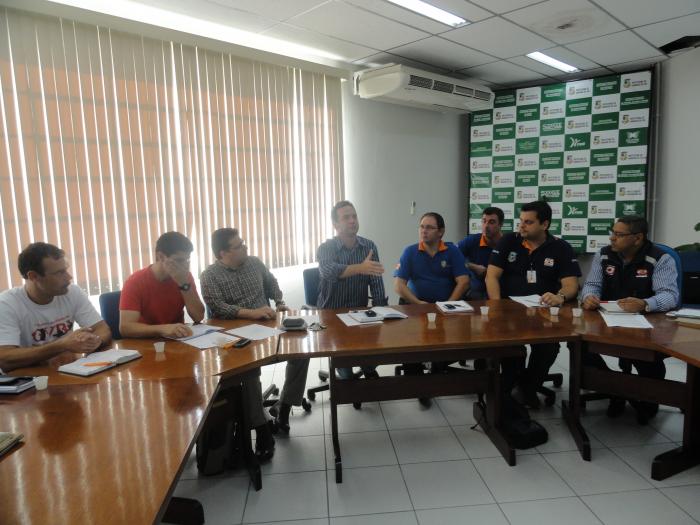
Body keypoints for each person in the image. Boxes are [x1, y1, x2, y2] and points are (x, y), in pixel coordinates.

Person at [201, 228, 304, 436]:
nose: (245, 247)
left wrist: (280, 302)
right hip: (237, 338)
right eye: (239, 246)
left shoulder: (254, 263)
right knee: (249, 370)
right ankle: (261, 427)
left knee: (301, 352)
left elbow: (271, 282)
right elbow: (218, 307)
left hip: (268, 328)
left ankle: (284, 406)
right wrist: (251, 313)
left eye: (243, 242)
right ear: (223, 253)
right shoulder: (209, 276)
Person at [580, 215, 679, 424]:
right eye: (612, 233)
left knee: (648, 357)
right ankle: (616, 389)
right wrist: (588, 297)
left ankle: (648, 398)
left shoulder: (660, 258)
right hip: (606, 320)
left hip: (645, 323)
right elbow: (592, 285)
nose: (612, 239)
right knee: (579, 347)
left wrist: (645, 304)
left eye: (619, 234)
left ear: (637, 238)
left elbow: (670, 295)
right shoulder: (604, 255)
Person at [486, 201, 581, 408]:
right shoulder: (509, 241)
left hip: (544, 314)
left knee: (548, 348)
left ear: (544, 224)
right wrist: (496, 306)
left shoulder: (560, 248)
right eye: (521, 221)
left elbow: (571, 285)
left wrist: (560, 297)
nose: (522, 226)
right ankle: (513, 385)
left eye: (528, 222)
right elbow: (491, 276)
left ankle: (527, 387)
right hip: (509, 311)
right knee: (510, 350)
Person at [394, 212, 470, 407]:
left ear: (441, 232)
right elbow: (399, 285)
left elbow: (463, 281)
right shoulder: (410, 251)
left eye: (429, 227)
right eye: (421, 227)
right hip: (415, 305)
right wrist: (419, 303)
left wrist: (448, 304)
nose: (424, 231)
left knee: (445, 343)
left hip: (444, 305)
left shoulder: (452, 251)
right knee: (411, 346)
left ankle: (437, 374)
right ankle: (419, 385)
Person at [0, 242, 111, 372]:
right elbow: (4, 358)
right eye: (59, 273)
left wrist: (92, 341)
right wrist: (62, 346)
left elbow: (102, 329)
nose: (69, 277)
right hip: (29, 379)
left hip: (69, 372)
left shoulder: (72, 292)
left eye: (66, 270)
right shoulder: (6, 304)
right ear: (33, 276)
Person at [317, 200, 386, 379]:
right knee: (346, 375)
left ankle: (368, 367)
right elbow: (328, 271)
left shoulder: (369, 246)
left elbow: (376, 280)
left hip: (360, 313)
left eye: (354, 216)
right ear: (335, 225)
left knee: (380, 348)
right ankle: (346, 376)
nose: (352, 220)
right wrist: (359, 268)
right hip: (332, 315)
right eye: (346, 217)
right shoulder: (326, 248)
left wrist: (380, 310)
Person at [119, 231, 205, 338]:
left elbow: (198, 316)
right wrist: (162, 329)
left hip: (177, 340)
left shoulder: (184, 276)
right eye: (179, 260)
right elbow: (125, 328)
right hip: (146, 341)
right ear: (161, 257)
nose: (184, 266)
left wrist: (184, 284)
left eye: (187, 260)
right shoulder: (135, 282)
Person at [458, 207, 504, 300]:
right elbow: (452, 258)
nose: (486, 226)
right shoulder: (472, 240)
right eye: (484, 221)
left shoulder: (507, 243)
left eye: (491, 222)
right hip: (475, 293)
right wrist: (472, 266)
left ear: (500, 224)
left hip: (501, 290)